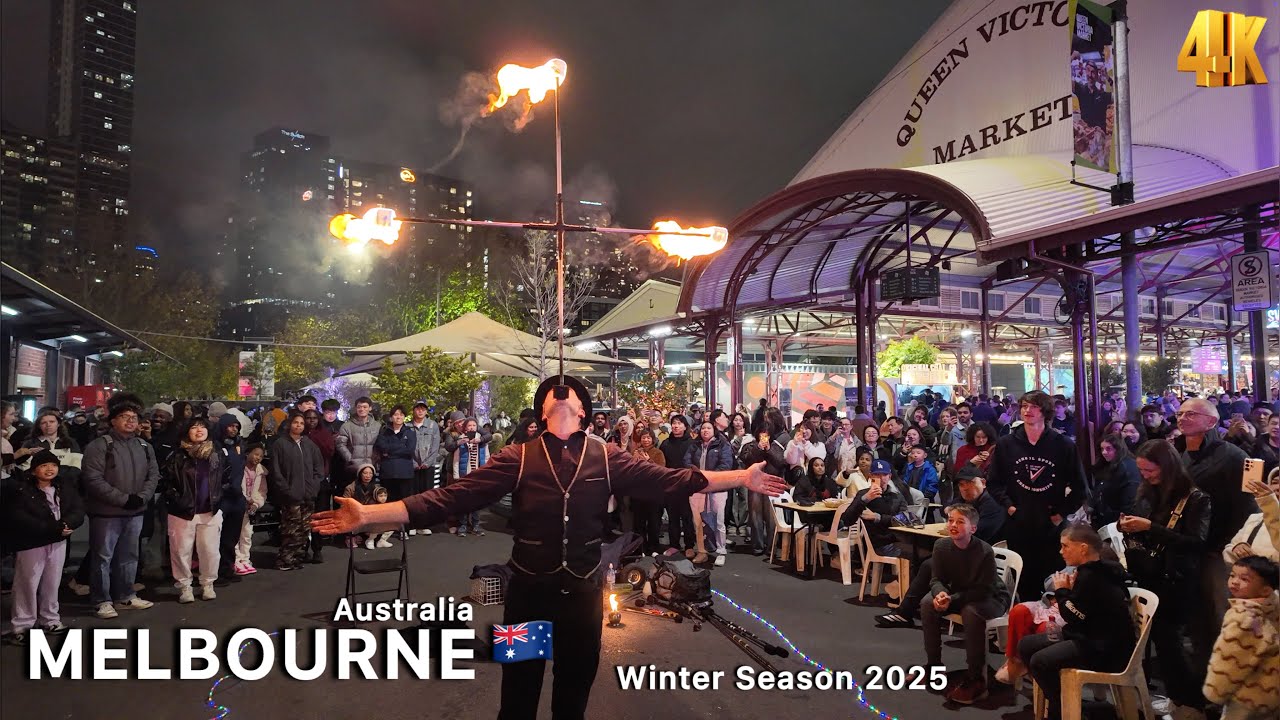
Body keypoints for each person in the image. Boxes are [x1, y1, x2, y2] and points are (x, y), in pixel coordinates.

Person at [311, 374, 786, 720]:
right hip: (527, 596)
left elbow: (673, 481)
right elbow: (449, 498)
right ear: (543, 411)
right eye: (553, 392)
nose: (562, 393)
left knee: (572, 700)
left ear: (582, 412)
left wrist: (742, 476)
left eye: (571, 392)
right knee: (517, 698)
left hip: (582, 598)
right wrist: (370, 514)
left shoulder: (607, 455)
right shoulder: (517, 457)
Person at [1123, 440, 1213, 718]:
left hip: (1177, 578)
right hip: (1149, 573)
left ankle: (1190, 702)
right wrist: (1128, 526)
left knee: (1170, 643)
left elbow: (1196, 542)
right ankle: (1175, 698)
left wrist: (1151, 527)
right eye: (1142, 470)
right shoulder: (1148, 491)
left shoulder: (1196, 498)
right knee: (1158, 643)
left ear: (1167, 466)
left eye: (1150, 470)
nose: (1145, 476)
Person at [1017, 524, 1137, 720]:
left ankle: (1063, 710)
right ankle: (1062, 699)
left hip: (1106, 648)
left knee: (1040, 661)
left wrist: (1062, 591)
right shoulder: (1091, 571)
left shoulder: (1094, 576)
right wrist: (1069, 593)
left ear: (1083, 548)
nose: (1061, 551)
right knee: (1026, 644)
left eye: (1065, 546)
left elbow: (1073, 615)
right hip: (1089, 634)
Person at [986, 391, 1086, 599]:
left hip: (1051, 526)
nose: (1027, 410)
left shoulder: (1063, 445)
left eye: (1034, 406)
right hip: (1018, 523)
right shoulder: (1006, 444)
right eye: (1024, 406)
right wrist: (1010, 507)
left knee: (1053, 583)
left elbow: (1081, 488)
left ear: (1045, 411)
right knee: (1024, 583)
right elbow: (994, 483)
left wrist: (1060, 514)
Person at [920, 504, 1011, 704]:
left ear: (973, 529)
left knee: (971, 612)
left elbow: (984, 590)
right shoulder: (941, 546)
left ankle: (976, 678)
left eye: (960, 522)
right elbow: (936, 579)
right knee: (927, 603)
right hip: (961, 593)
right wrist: (940, 593)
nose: (953, 525)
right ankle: (933, 666)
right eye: (951, 520)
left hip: (992, 597)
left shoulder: (984, 551)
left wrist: (951, 599)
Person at [80, 394, 159, 619]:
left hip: (136, 511)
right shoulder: (99, 446)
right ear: (113, 420)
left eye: (134, 417)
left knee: (129, 555)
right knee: (102, 558)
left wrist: (142, 497)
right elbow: (93, 479)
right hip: (106, 513)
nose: (130, 421)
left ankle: (125, 595)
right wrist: (123, 499)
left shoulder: (144, 446)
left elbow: (153, 475)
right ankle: (101, 600)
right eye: (125, 416)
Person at [2, 451, 83, 644]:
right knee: (27, 584)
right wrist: (52, 528)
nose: (49, 469)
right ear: (34, 470)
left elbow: (77, 509)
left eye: (53, 465)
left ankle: (50, 619)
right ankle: (23, 625)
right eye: (44, 465)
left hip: (58, 541)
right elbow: (20, 517)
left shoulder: (64, 487)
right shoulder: (23, 490)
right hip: (32, 543)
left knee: (52, 582)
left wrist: (68, 524)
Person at [1201, 555, 1280, 720]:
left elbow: (1229, 657)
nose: (1235, 582)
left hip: (1247, 695)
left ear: (1265, 590)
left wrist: (1215, 690)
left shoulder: (1242, 616)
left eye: (1244, 579)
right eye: (1232, 575)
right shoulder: (1272, 604)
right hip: (1271, 689)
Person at [162, 418, 231, 603]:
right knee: (180, 551)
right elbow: (166, 481)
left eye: (202, 426)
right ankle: (184, 586)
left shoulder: (217, 453)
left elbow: (226, 478)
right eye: (194, 427)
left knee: (210, 550)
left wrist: (218, 496)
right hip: (182, 512)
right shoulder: (177, 455)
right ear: (187, 432)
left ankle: (208, 583)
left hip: (210, 511)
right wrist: (178, 500)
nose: (199, 430)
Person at [268, 411, 324, 571]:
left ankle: (298, 558)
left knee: (305, 529)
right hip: (290, 496)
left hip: (308, 495)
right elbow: (276, 471)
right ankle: (285, 560)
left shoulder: (309, 444)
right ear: (289, 424)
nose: (298, 425)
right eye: (296, 422)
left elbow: (318, 467)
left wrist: (314, 486)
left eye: (301, 423)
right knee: (290, 529)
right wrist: (286, 489)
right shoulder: (280, 444)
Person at [684, 420, 734, 565]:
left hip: (717, 487)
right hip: (697, 487)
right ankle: (702, 551)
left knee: (718, 520)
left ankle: (721, 550)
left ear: (714, 430)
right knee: (698, 521)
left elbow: (726, 464)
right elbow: (686, 462)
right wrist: (696, 475)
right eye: (703, 428)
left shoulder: (722, 444)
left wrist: (709, 477)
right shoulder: (694, 445)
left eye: (708, 428)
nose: (705, 430)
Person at [739, 429, 786, 556]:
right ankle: (757, 546)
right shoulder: (750, 445)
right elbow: (745, 459)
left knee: (771, 518)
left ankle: (771, 547)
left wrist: (769, 450)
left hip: (771, 484)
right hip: (755, 483)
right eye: (762, 434)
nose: (764, 437)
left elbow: (781, 463)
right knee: (755, 515)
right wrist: (758, 449)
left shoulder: (776, 447)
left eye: (767, 435)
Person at [660, 415, 696, 555]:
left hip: (687, 484)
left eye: (679, 423)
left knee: (687, 516)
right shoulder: (666, 444)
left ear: (685, 426)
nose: (676, 426)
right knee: (673, 517)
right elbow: (662, 465)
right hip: (671, 484)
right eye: (674, 423)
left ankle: (689, 545)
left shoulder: (692, 443)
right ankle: (674, 544)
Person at [1089, 433, 1140, 530]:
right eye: (1102, 449)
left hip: (1119, 521)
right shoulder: (1108, 465)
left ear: (1118, 448)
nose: (1104, 452)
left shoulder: (1126, 467)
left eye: (1108, 449)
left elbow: (1129, 500)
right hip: (1107, 519)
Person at [450, 417, 489, 537]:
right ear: (465, 428)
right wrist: (456, 475)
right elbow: (456, 459)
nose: (472, 428)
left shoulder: (482, 440)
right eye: (469, 425)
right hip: (464, 474)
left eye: (474, 425)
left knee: (476, 501)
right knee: (463, 500)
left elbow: (487, 457)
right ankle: (462, 525)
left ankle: (476, 524)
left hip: (478, 475)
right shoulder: (461, 439)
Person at [233, 443, 267, 575]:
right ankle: (236, 560)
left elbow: (262, 491)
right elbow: (235, 486)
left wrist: (256, 504)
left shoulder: (261, 472)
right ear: (248, 453)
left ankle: (245, 559)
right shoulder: (239, 468)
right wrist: (245, 499)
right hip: (238, 505)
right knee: (235, 534)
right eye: (256, 454)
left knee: (247, 534)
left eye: (261, 456)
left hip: (249, 508)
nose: (258, 458)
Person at [631, 430, 666, 555]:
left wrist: (649, 460)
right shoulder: (635, 452)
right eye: (643, 438)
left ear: (653, 439)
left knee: (654, 522)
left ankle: (653, 547)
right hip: (639, 491)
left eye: (648, 438)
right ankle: (640, 548)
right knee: (639, 522)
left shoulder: (658, 452)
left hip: (654, 492)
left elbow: (661, 470)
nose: (646, 440)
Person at [344, 463, 392, 549]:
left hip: (371, 513)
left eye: (370, 473)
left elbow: (381, 500)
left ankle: (380, 540)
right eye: (365, 473)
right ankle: (350, 538)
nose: (368, 476)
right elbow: (344, 504)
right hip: (356, 513)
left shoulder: (376, 487)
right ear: (360, 474)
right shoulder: (351, 488)